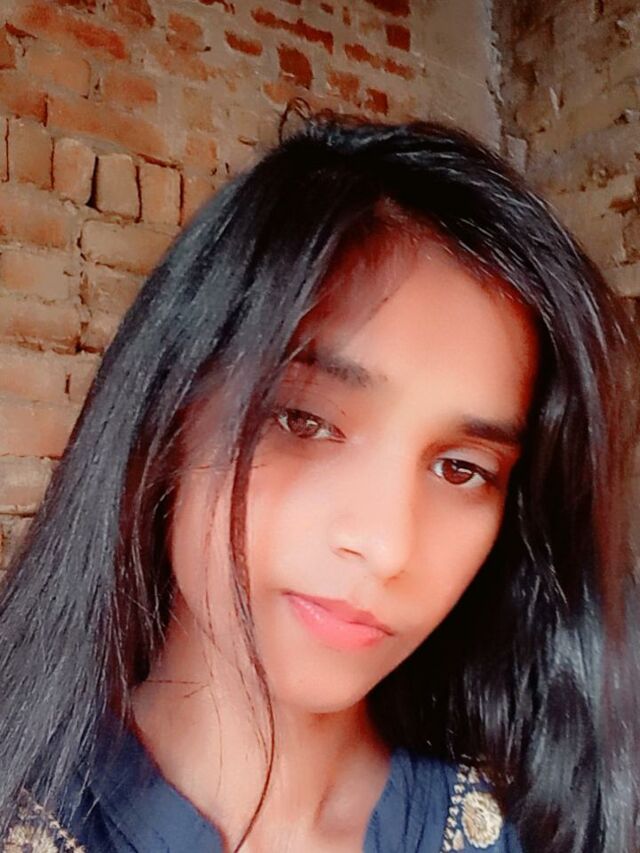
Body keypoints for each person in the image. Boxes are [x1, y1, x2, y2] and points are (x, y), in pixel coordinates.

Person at [0, 115, 638, 853]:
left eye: (461, 469)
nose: (387, 546)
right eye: (303, 420)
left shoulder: (539, 824)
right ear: (170, 415)